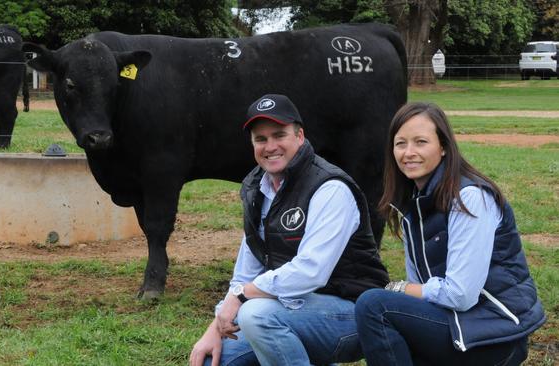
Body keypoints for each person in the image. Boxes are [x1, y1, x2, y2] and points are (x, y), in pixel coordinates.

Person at [189, 94, 389, 366]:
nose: (270, 146)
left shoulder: (330, 188)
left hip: (355, 313)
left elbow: (311, 271)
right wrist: (214, 330)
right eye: (260, 139)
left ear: (300, 136)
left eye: (279, 135)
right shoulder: (255, 189)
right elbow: (245, 273)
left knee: (256, 315)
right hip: (292, 309)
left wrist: (242, 296)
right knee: (219, 359)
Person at [354, 102, 546, 365]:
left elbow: (461, 294)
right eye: (400, 144)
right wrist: (408, 292)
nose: (409, 152)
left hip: (496, 332)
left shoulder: (469, 198)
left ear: (443, 147)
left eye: (421, 142)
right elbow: (421, 287)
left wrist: (400, 289)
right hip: (458, 323)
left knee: (374, 306)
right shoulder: (412, 204)